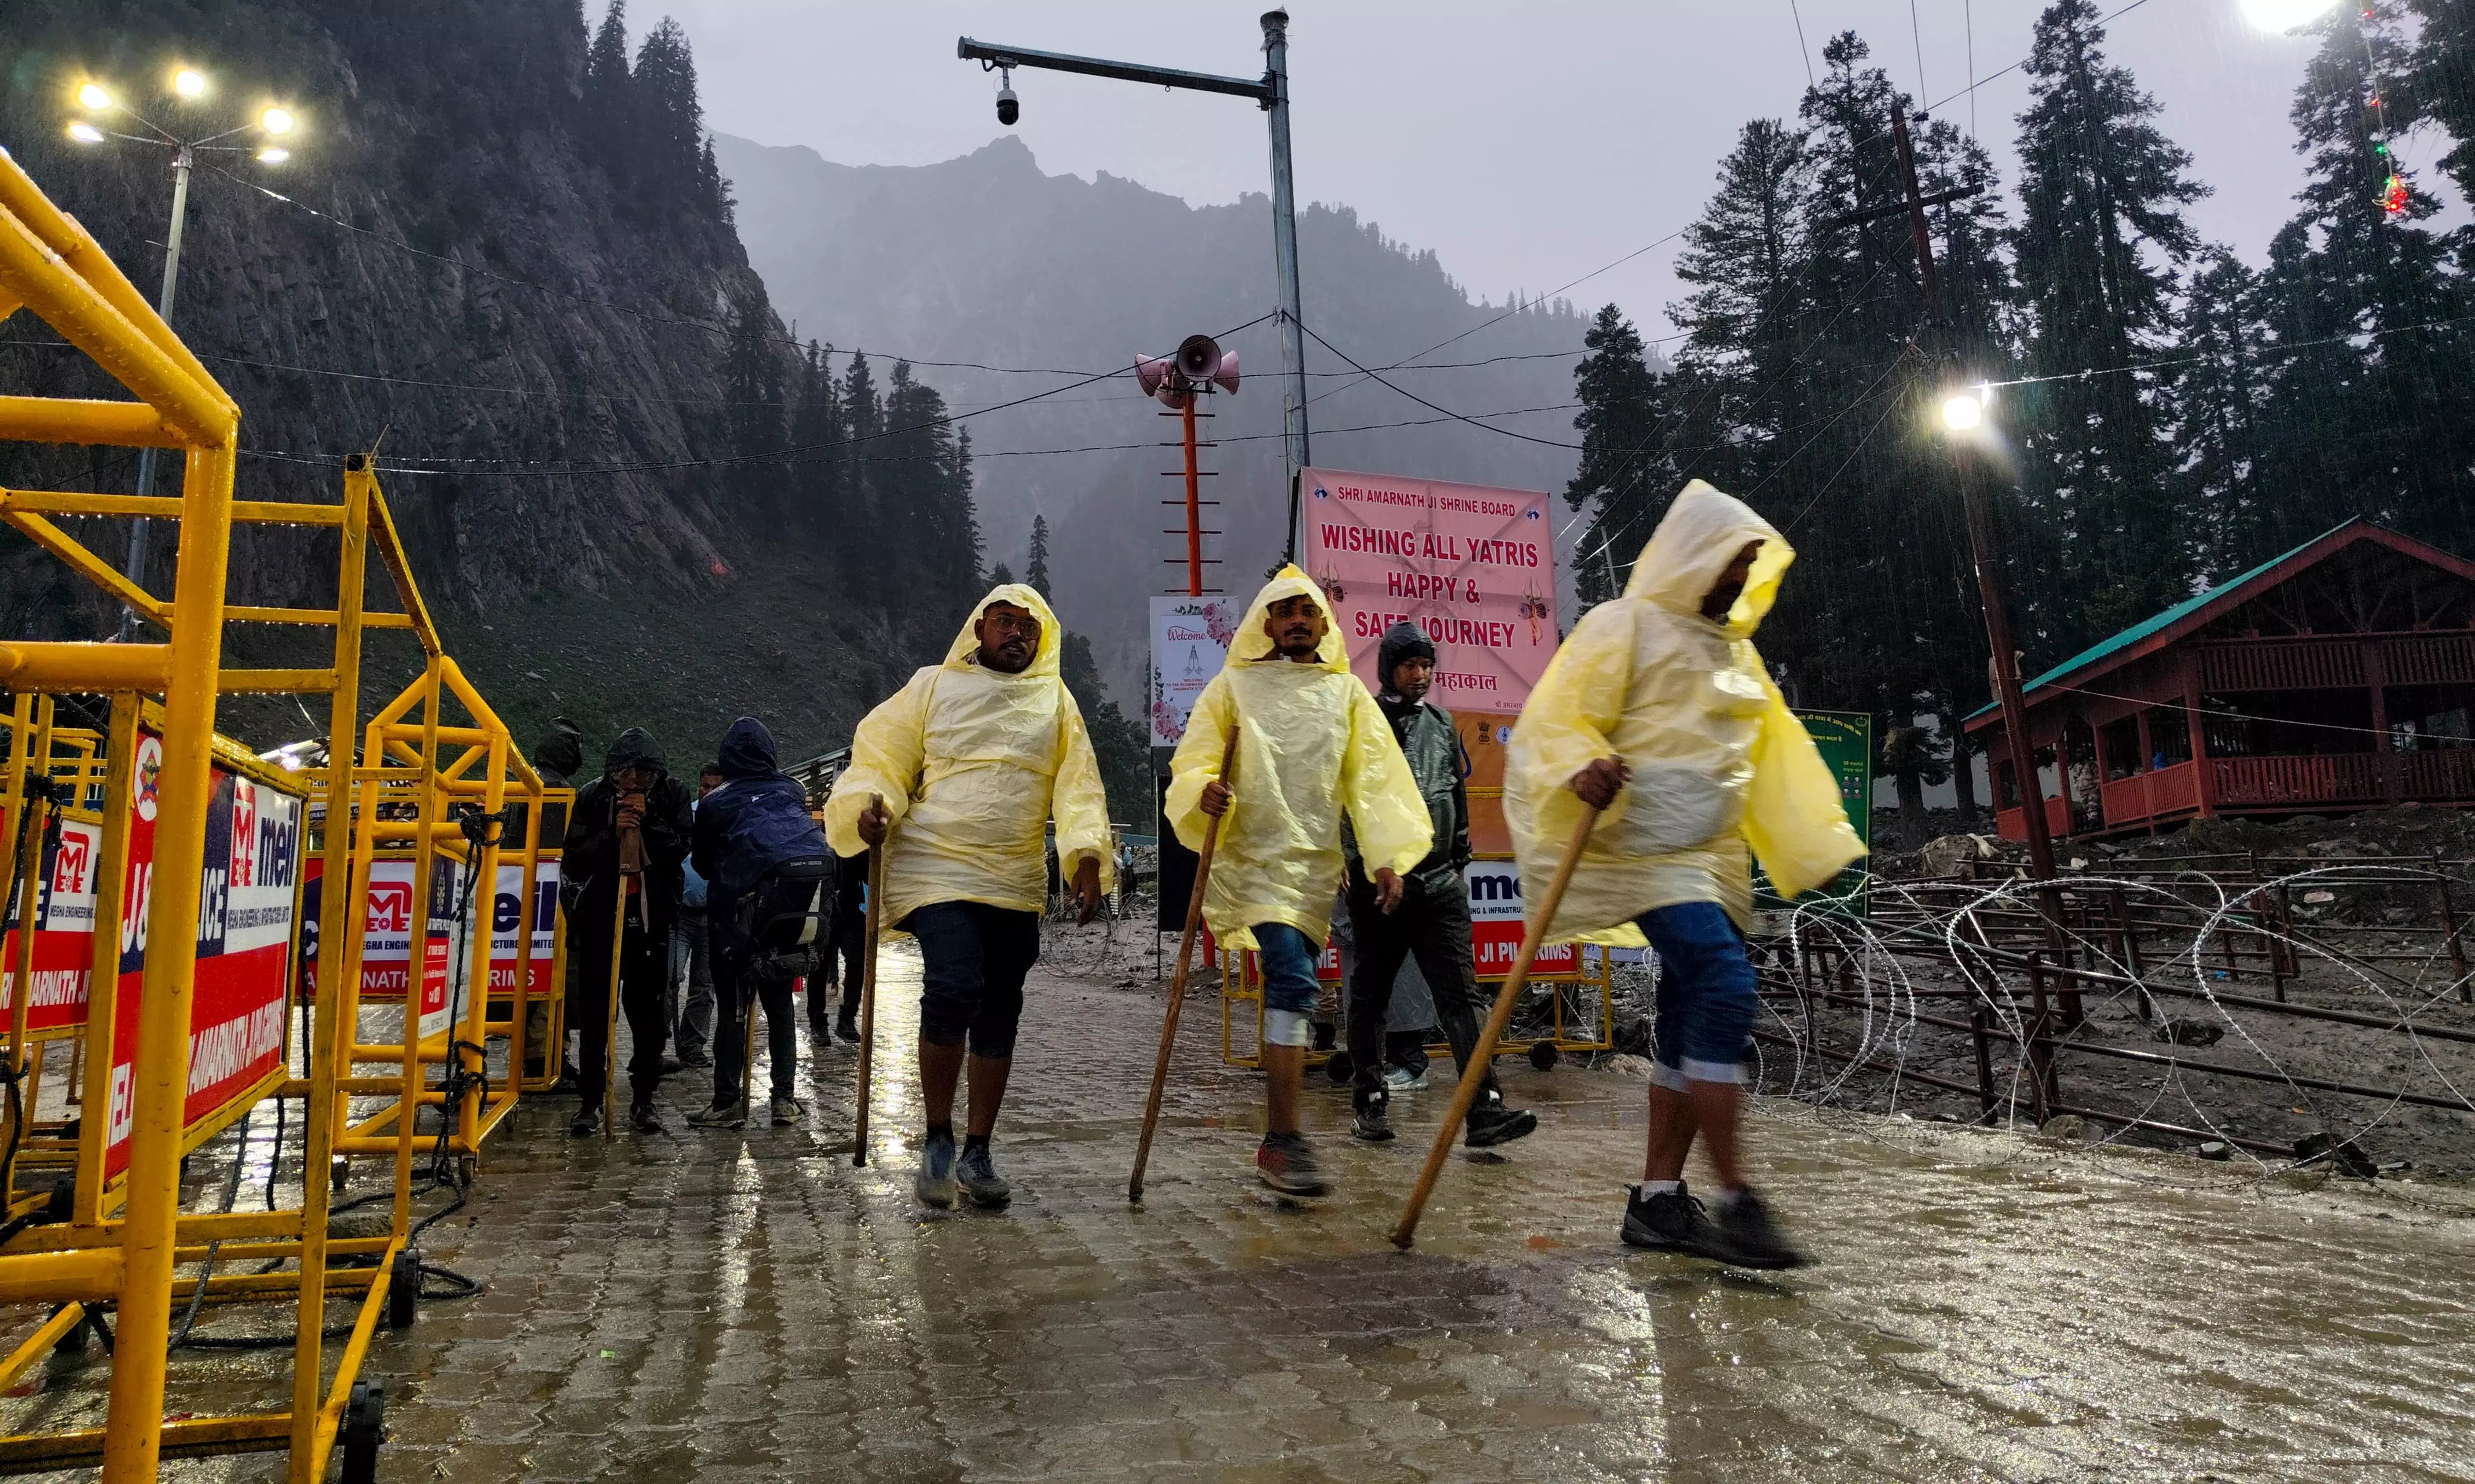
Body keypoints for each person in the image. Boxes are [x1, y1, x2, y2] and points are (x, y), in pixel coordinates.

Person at [1507, 480, 1862, 1269]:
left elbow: (1773, 753)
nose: (1738, 577)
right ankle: (1738, 1196)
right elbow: (1555, 718)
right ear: (1692, 552)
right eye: (1729, 558)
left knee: (1682, 1015)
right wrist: (1579, 764)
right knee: (1725, 984)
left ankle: (1659, 1201)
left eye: (1749, 563)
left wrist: (1810, 841)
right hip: (1639, 849)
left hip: (1713, 859)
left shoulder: (1738, 654)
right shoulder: (1622, 624)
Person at [827, 583, 1113, 1210]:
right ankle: (937, 1136)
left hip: (1012, 877)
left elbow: (1079, 786)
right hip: (937, 867)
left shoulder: (1055, 701)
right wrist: (871, 809)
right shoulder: (932, 686)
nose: (1017, 634)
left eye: (1028, 627)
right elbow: (881, 755)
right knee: (954, 986)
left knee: (1000, 1007)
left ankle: (978, 1149)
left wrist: (1085, 856)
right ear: (978, 630)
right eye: (1005, 622)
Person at [1166, 568, 1430, 1197]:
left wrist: (1385, 856)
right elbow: (1194, 759)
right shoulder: (1232, 688)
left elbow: (1373, 781)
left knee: (1296, 986)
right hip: (1252, 861)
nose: (1296, 621)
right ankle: (1283, 1138)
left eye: (1306, 612)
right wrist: (1201, 790)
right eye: (1284, 612)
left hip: (1312, 867)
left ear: (1321, 623)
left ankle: (1280, 1139)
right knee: (1292, 974)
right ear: (1267, 623)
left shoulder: (1344, 695)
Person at [1344, 622, 1540, 1147]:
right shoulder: (1366, 721)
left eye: (1427, 665)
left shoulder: (1440, 721)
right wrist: (1360, 867)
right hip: (1381, 885)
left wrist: (1458, 862)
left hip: (1439, 884)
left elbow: (1455, 791)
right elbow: (1351, 796)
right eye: (1410, 665)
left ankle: (1484, 1107)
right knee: (1372, 994)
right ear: (1389, 668)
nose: (1420, 674)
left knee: (1461, 995)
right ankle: (1370, 1099)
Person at [690, 719, 830, 1129]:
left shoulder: (716, 803)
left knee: (734, 1010)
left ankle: (728, 1101)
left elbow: (702, 862)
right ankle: (784, 1100)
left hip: (737, 922)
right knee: (780, 1006)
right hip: (788, 918)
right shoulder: (793, 790)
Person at [562, 728, 694, 1137]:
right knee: (597, 1015)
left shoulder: (673, 795)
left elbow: (679, 850)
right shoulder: (591, 796)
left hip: (651, 920)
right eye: (625, 775)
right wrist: (612, 832)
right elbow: (574, 858)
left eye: (642, 776)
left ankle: (644, 1097)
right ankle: (590, 1101)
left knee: (648, 1016)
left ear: (655, 776)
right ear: (614, 775)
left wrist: (648, 820)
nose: (633, 782)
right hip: (601, 918)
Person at [521, 721, 584, 1086]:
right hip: (551, 902)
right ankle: (544, 1060)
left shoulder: (521, 782)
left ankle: (548, 1055)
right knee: (553, 981)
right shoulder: (559, 793)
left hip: (516, 899)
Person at [669, 762, 725, 1071]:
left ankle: (692, 1046)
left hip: (713, 917)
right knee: (668, 979)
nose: (709, 793)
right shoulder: (685, 815)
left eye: (716, 787)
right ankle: (661, 1045)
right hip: (679, 915)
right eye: (705, 786)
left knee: (703, 987)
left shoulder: (730, 820)